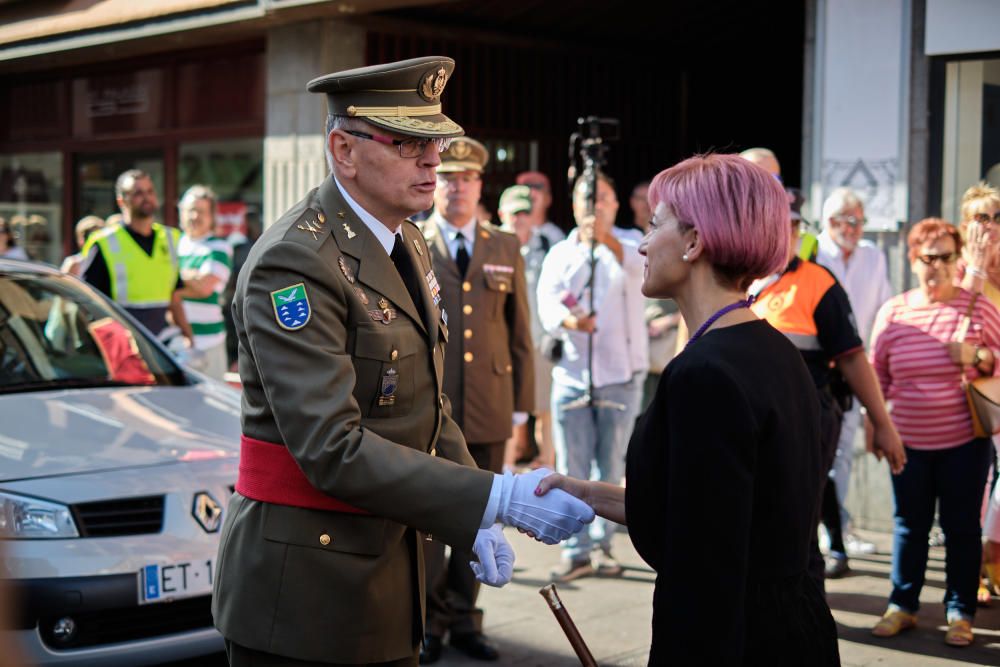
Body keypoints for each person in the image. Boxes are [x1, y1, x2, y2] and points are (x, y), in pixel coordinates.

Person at [211, 56, 595, 667]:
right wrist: (494, 497)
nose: (434, 161)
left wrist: (472, 509)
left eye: (435, 141)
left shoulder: (406, 239)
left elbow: (426, 402)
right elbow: (330, 446)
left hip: (386, 567)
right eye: (409, 143)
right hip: (307, 590)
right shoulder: (295, 262)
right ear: (344, 149)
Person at [538, 153, 840, 665]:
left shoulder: (704, 374)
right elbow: (701, 511)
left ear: (695, 242)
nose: (642, 242)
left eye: (654, 226)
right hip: (792, 628)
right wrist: (587, 493)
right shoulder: (773, 349)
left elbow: (704, 566)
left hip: (735, 640)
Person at [749, 192, 904, 593]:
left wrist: (881, 421)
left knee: (799, 517)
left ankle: (805, 604)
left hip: (809, 417)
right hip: (754, 419)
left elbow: (853, 359)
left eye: (791, 225)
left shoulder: (819, 282)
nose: (783, 233)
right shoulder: (741, 280)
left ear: (799, 230)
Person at [418, 138, 534, 663]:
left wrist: (522, 410)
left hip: (489, 401)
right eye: (447, 176)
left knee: (481, 519)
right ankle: (430, 622)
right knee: (428, 521)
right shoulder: (411, 240)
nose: (455, 187)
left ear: (480, 186)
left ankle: (466, 618)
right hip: (432, 404)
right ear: (434, 184)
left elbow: (520, 334)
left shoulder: (505, 245)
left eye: (466, 179)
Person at [869, 218, 1000, 647]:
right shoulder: (895, 311)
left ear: (958, 259)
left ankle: (960, 611)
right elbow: (877, 375)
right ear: (913, 260)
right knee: (910, 525)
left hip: (965, 441)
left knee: (962, 527)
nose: (938, 266)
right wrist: (876, 426)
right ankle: (902, 605)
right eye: (929, 257)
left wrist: (976, 354)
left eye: (947, 257)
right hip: (908, 442)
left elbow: (997, 363)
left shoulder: (978, 307)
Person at [536, 171, 648, 582]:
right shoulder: (562, 252)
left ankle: (603, 545)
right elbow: (546, 303)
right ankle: (575, 548)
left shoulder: (632, 245)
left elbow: (640, 275)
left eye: (602, 198)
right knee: (573, 462)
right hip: (572, 375)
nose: (594, 206)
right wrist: (568, 320)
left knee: (611, 462)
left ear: (615, 204)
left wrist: (608, 241)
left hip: (620, 373)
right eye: (587, 199)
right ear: (574, 205)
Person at [815, 187, 895, 577]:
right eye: (851, 220)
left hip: (856, 368)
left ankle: (838, 530)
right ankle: (825, 531)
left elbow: (882, 314)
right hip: (819, 371)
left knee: (843, 455)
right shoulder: (813, 253)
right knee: (823, 455)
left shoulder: (873, 257)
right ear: (831, 222)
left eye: (860, 220)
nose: (856, 228)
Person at [79, 170, 194, 345]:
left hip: (160, 343)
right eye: (138, 193)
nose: (146, 197)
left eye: (150, 191)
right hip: (122, 341)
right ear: (121, 201)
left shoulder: (171, 239)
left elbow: (174, 296)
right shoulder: (104, 242)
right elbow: (89, 302)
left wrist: (188, 336)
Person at [960, 182, 1000, 603]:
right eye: (980, 218)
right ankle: (971, 572)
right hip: (976, 395)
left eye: (996, 217)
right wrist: (975, 266)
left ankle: (993, 563)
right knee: (977, 485)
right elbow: (957, 321)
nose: (990, 227)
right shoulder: (959, 271)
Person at [497, 185, 556, 470]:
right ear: (501, 214)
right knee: (506, 409)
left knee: (545, 408)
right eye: (514, 213)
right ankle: (505, 468)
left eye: (525, 213)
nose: (520, 219)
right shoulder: (491, 245)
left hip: (538, 340)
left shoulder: (548, 244)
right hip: (503, 344)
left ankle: (548, 466)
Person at [174, 185, 233, 380]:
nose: (194, 216)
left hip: (209, 343)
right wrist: (190, 277)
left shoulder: (220, 247)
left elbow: (205, 287)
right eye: (190, 210)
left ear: (212, 216)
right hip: (174, 342)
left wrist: (172, 283)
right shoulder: (171, 243)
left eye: (201, 211)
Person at [515, 171, 564, 248]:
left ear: (548, 199)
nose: (531, 192)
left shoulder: (555, 237)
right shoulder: (509, 228)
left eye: (537, 187)